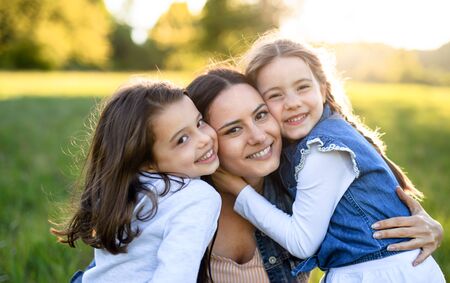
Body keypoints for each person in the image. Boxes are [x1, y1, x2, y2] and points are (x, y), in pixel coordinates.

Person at [212, 36, 445, 282]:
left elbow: (301, 242)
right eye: (275, 95)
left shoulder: (322, 150)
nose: (292, 103)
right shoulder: (314, 141)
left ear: (322, 89)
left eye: (302, 87)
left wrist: (239, 189)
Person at [51, 79, 221, 282]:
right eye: (182, 139)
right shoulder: (199, 198)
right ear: (146, 161)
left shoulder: (122, 188)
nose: (204, 139)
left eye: (199, 122)